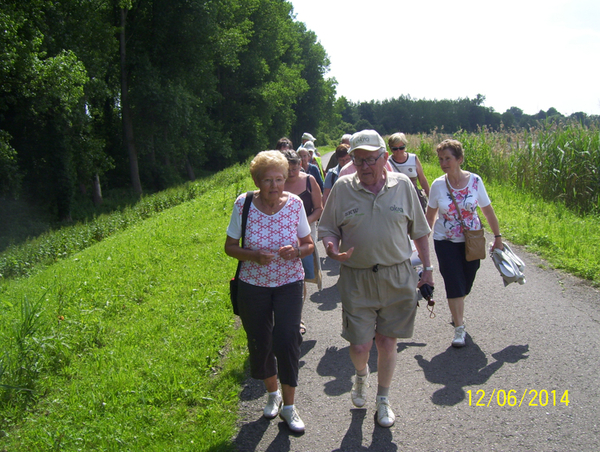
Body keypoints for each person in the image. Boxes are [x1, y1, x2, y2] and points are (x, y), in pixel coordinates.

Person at [318, 129, 434, 428]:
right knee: (359, 346)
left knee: (386, 342)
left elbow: (419, 231)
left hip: (397, 275)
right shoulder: (343, 188)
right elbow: (328, 228)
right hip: (357, 277)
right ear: (352, 160)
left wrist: (428, 270)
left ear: (384, 158)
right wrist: (332, 248)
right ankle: (360, 377)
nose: (366, 166)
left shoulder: (403, 186)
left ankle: (383, 399)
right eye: (359, 160)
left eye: (371, 159)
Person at [224, 150, 314, 433]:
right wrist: (252, 256)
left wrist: (297, 251)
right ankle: (272, 394)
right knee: (260, 342)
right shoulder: (244, 204)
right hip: (253, 286)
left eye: (279, 179)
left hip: (289, 283)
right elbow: (229, 246)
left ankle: (289, 407)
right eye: (267, 180)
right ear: (257, 181)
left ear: (287, 178)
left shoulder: (296, 204)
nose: (274, 186)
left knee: (287, 339)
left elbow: (309, 244)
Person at [426, 139, 503, 348]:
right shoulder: (438, 185)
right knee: (454, 283)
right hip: (445, 241)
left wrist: (498, 237)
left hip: (472, 241)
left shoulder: (475, 181)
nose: (443, 163)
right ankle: (459, 328)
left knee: (466, 281)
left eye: (448, 158)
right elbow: (431, 215)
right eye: (440, 159)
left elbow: (487, 211)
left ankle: (457, 308)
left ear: (459, 159)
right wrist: (421, 242)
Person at [282, 149, 323, 301]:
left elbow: (319, 209)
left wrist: (304, 223)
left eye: (294, 168)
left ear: (300, 165)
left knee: (301, 275)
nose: (291, 173)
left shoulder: (309, 180)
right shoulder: (278, 182)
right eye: (288, 169)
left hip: (306, 230)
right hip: (283, 232)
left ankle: (297, 314)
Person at [387, 133, 430, 213]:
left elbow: (422, 179)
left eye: (401, 148)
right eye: (395, 149)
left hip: (414, 195)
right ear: (390, 148)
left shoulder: (413, 158)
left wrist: (430, 197)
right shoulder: (388, 162)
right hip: (396, 198)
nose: (398, 151)